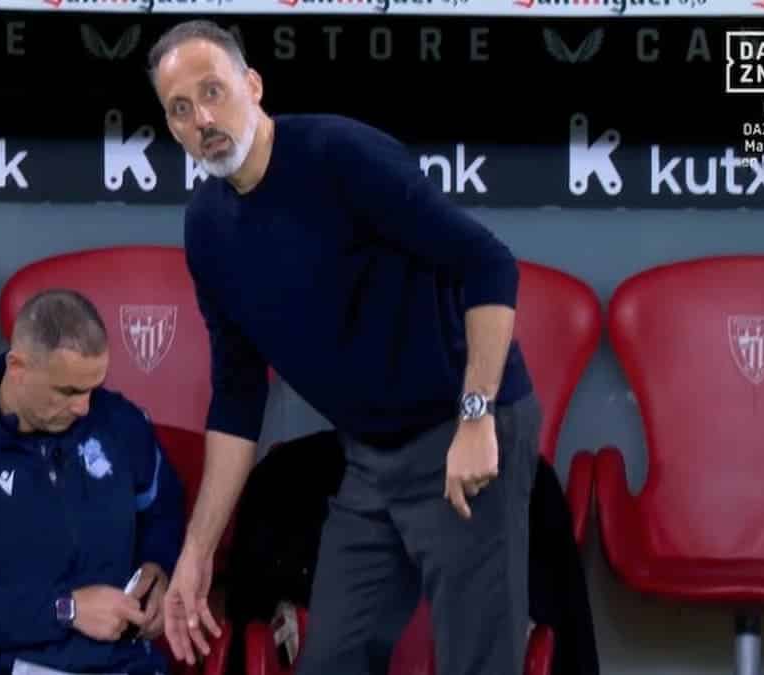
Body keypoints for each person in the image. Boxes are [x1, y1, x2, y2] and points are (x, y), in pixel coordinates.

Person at [146, 20, 543, 675]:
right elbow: (239, 398)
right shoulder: (207, 227)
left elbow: (490, 263)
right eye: (181, 109)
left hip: (463, 435)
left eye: (214, 91)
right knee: (331, 656)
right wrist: (198, 549)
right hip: (369, 461)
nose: (203, 119)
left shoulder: (340, 155)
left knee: (478, 661)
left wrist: (477, 415)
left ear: (253, 84)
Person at [0, 289, 186, 675]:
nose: (83, 407)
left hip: (127, 663)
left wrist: (159, 567)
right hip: (16, 666)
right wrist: (67, 610)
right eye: (68, 390)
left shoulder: (120, 422)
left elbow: (164, 510)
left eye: (93, 387)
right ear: (18, 368)